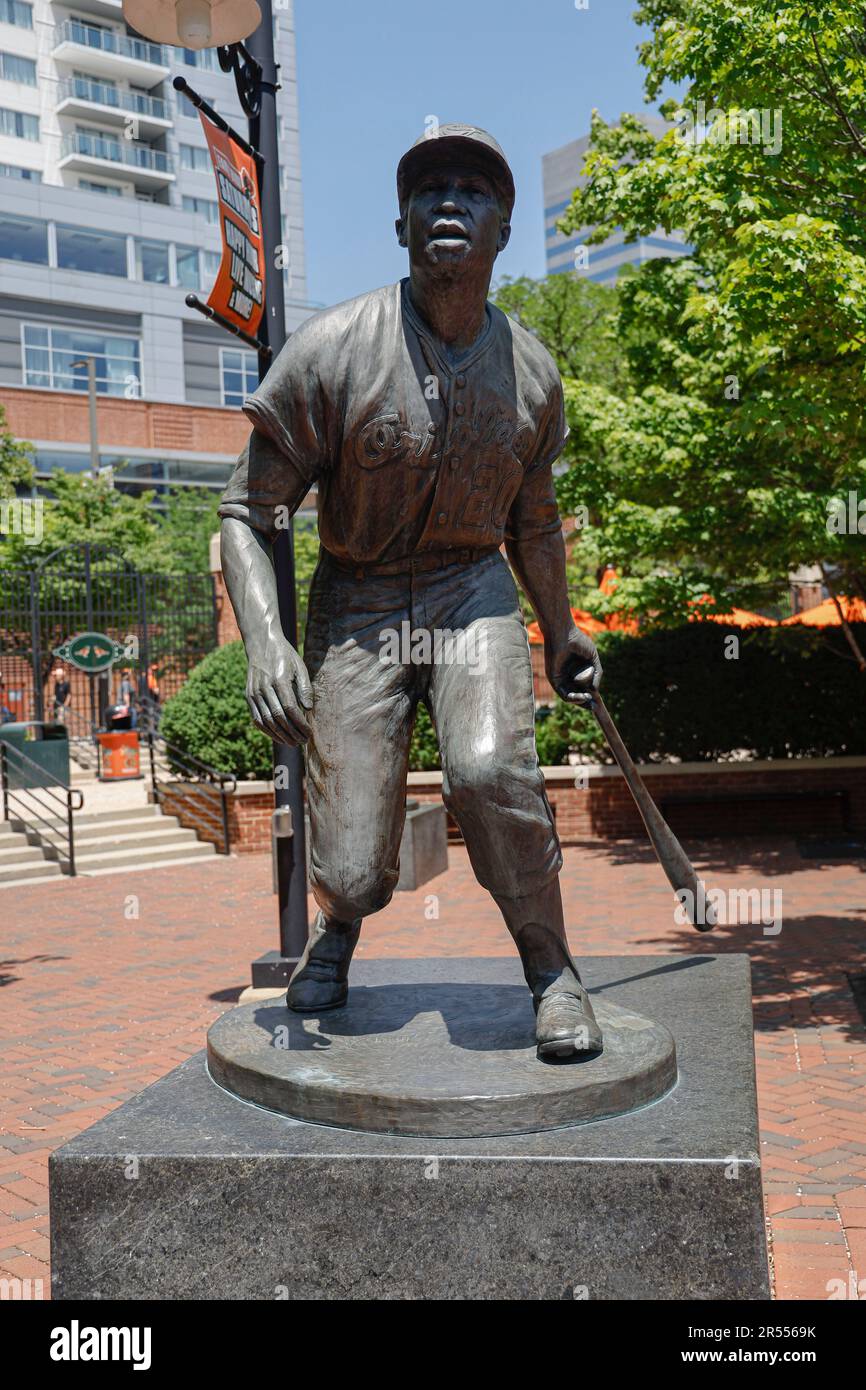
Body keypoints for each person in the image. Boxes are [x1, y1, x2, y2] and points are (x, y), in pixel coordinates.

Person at [219, 125, 604, 1057]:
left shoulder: (534, 372)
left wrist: (563, 633)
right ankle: (340, 924)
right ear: (400, 225)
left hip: (471, 590)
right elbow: (247, 510)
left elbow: (536, 522)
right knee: (351, 865)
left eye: (473, 191)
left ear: (503, 230)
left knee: (489, 771)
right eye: (430, 189)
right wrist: (265, 643)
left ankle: (552, 967)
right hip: (358, 603)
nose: (449, 204)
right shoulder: (334, 350)